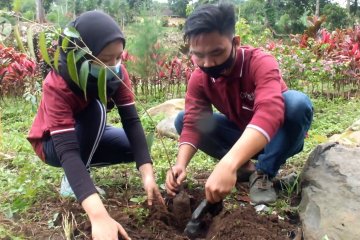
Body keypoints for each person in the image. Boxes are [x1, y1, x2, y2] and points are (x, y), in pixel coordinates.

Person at [27, 11, 163, 240]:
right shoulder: (58, 83)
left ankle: (84, 166)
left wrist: (147, 174)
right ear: (80, 56)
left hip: (88, 134)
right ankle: (73, 181)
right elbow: (68, 151)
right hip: (53, 144)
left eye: (118, 57)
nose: (113, 65)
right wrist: (99, 215)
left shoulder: (118, 74)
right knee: (95, 109)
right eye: (105, 59)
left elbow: (131, 120)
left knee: (135, 149)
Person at [165, 3, 313, 206]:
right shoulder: (200, 78)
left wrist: (228, 162)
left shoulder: (259, 62)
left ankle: (263, 174)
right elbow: (192, 122)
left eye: (216, 53)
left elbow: (270, 111)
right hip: (242, 136)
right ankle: (247, 170)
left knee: (297, 103)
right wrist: (180, 165)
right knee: (184, 119)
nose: (207, 63)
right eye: (198, 55)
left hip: (279, 136)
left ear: (235, 42)